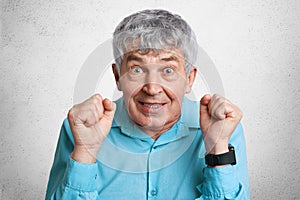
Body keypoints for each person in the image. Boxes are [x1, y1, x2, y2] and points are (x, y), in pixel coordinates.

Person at [46, 9, 250, 199]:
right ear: (118, 76)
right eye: (136, 70)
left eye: (168, 70)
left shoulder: (223, 129)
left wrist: (218, 150)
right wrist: (84, 152)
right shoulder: (80, 129)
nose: (152, 88)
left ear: (189, 79)